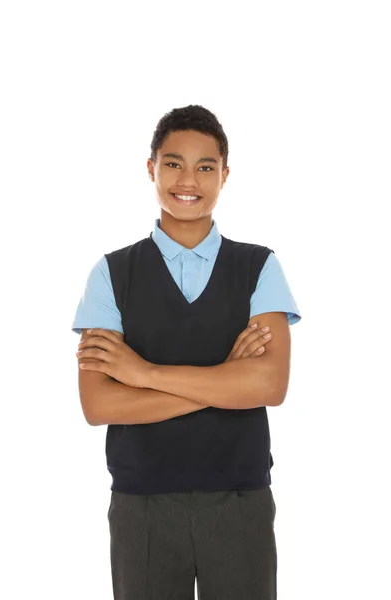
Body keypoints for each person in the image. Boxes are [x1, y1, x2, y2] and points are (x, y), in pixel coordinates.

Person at [72, 104, 302, 599]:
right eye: (174, 163)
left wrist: (142, 372)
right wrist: (224, 380)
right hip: (142, 505)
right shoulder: (111, 275)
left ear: (225, 175)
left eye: (206, 166)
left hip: (240, 500)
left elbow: (269, 386)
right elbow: (99, 405)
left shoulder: (259, 268)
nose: (189, 179)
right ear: (152, 168)